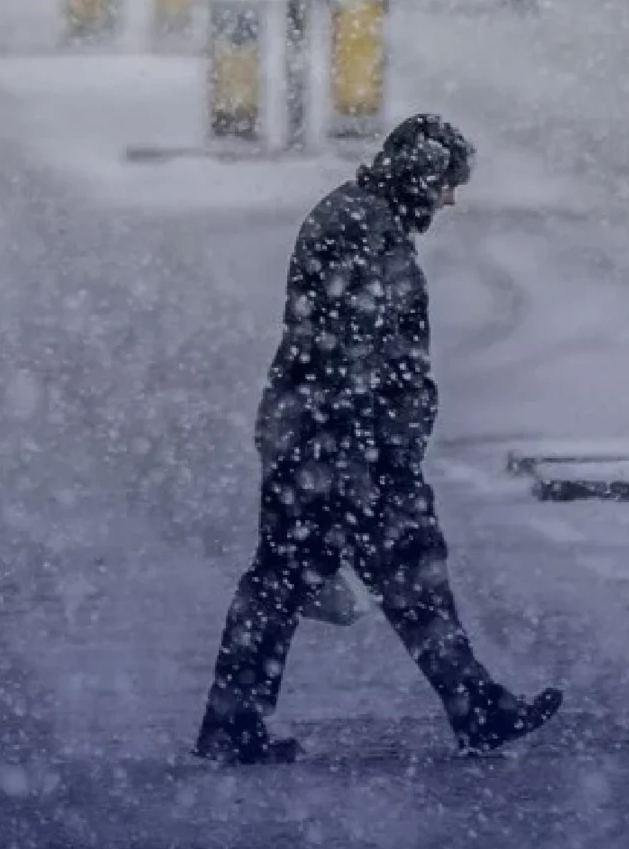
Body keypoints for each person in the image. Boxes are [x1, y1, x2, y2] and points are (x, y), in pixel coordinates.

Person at [195, 114, 563, 765]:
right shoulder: (362, 229)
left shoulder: (363, 220)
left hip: (323, 443)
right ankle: (474, 709)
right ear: (423, 176)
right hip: (341, 450)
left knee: (300, 581)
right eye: (448, 183)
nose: (451, 199)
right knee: (384, 576)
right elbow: (356, 354)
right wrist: (374, 457)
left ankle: (236, 721)